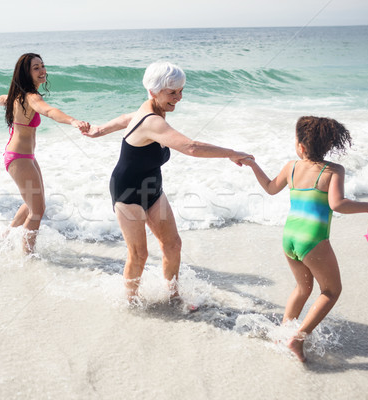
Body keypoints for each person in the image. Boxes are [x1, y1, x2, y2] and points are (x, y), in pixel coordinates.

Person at [83, 61, 253, 303]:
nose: (179, 97)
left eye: (181, 90)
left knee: (172, 245)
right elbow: (191, 147)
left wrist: (99, 130)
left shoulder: (152, 111)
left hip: (153, 189)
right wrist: (231, 152)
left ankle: (173, 297)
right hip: (127, 191)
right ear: (153, 91)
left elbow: (124, 118)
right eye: (172, 92)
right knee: (139, 254)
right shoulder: (152, 121)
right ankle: (130, 303)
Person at [242, 116, 368, 362]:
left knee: (302, 287)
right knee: (331, 290)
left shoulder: (291, 167)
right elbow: (337, 204)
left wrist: (253, 165)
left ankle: (282, 332)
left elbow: (269, 187)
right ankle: (296, 339)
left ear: (302, 147)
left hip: (289, 237)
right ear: (328, 145)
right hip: (313, 240)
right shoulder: (333, 170)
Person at [0, 53, 90, 253]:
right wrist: (73, 121)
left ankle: (6, 237)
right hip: (19, 158)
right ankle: (28, 256)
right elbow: (49, 111)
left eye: (42, 65)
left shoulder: (16, 95)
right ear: (26, 73)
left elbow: (0, 99)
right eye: (36, 68)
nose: (42, 70)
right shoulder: (31, 97)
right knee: (37, 210)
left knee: (32, 203)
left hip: (22, 157)